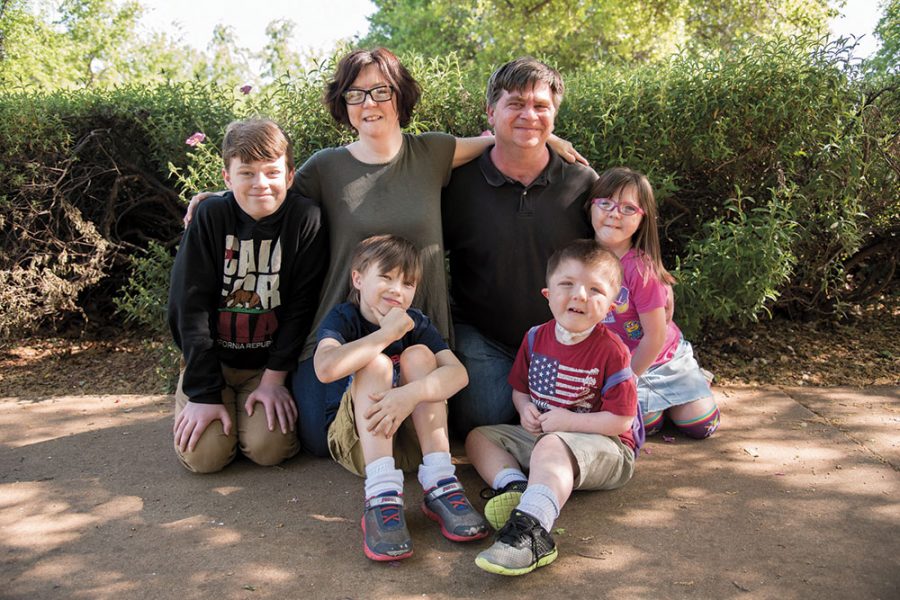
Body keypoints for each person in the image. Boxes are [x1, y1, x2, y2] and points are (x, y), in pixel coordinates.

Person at [185, 48, 584, 456]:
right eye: (355, 94)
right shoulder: (326, 167)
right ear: (344, 104)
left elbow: (499, 138)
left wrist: (544, 133)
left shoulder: (432, 153)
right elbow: (269, 189)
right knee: (318, 442)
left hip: (418, 334)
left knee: (434, 434)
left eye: (381, 91)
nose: (369, 103)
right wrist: (218, 197)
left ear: (401, 96)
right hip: (342, 332)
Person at [442, 57, 598, 436]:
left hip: (561, 338)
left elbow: (612, 259)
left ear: (554, 116)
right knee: (481, 420)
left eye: (541, 106)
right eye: (516, 104)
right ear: (491, 112)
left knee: (558, 424)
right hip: (484, 337)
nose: (529, 115)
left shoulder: (582, 183)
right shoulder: (455, 183)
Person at [466, 239, 638, 575]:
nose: (579, 295)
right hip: (549, 438)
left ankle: (532, 531)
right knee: (478, 438)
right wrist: (525, 407)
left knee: (552, 443)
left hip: (606, 448)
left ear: (612, 305)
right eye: (567, 284)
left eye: (595, 289)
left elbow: (621, 420)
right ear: (548, 294)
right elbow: (519, 389)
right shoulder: (534, 338)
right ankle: (516, 488)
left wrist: (568, 422)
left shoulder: (612, 350)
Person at [314, 234, 488, 561]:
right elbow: (325, 368)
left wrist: (410, 394)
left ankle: (440, 483)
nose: (397, 290)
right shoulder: (343, 318)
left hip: (411, 445)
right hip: (360, 448)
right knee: (376, 363)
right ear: (358, 278)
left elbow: (459, 374)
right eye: (386, 277)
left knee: (421, 355)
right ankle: (380, 496)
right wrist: (386, 335)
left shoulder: (416, 323)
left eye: (408, 283)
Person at [168, 118, 326, 473]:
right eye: (247, 173)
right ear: (227, 177)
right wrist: (205, 393)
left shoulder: (305, 220)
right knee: (205, 457)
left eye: (271, 172)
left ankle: (245, 418)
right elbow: (188, 308)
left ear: (289, 175)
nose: (261, 184)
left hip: (266, 366)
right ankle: (214, 408)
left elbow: (302, 306)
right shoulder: (211, 217)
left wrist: (274, 380)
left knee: (268, 448)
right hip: (213, 363)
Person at [589, 167, 720, 438]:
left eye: (628, 208)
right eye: (606, 203)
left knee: (698, 426)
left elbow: (655, 336)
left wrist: (627, 381)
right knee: (647, 425)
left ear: (642, 218)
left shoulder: (640, 269)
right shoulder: (581, 259)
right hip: (619, 361)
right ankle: (659, 405)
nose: (614, 213)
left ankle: (696, 380)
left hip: (660, 358)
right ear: (591, 205)